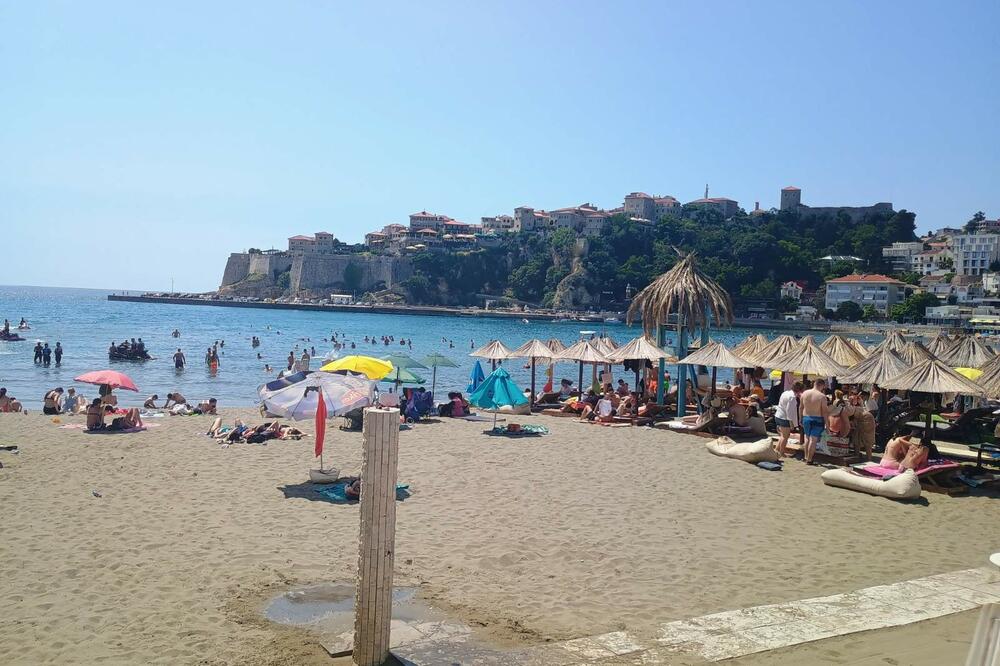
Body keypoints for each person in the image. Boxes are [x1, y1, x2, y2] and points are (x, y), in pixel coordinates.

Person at [800, 379, 830, 465]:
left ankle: (806, 457)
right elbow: (824, 411)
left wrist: (800, 418)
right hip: (817, 419)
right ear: (822, 386)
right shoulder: (822, 396)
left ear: (814, 383)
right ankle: (809, 460)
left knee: (807, 438)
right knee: (813, 440)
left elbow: (800, 407)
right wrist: (827, 425)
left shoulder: (804, 393)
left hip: (806, 417)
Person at [774, 381, 803, 457]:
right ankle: (781, 452)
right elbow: (789, 412)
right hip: (784, 418)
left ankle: (777, 450)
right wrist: (792, 424)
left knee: (782, 435)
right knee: (785, 436)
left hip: (778, 415)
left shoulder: (785, 393)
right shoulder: (792, 397)